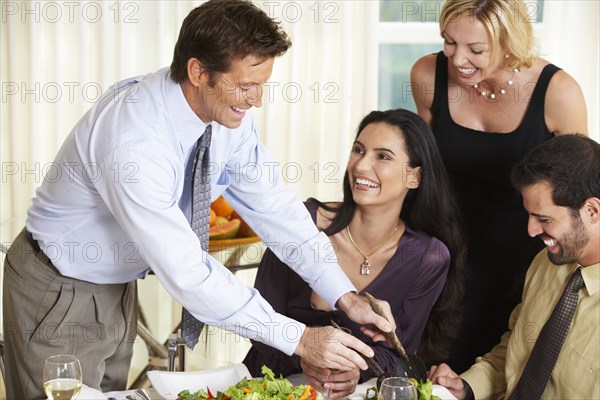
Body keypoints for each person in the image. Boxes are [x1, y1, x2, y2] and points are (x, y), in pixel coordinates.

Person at [1, 1, 393, 398]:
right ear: (198, 71)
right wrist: (300, 340)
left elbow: (275, 208)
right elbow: (188, 272)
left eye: (261, 85)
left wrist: (345, 295)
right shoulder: (134, 140)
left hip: (117, 288)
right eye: (245, 86)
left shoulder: (226, 117)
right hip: (59, 290)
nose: (256, 99)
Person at [410, 0, 589, 373]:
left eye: (476, 50)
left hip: (522, 259)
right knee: (428, 370)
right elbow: (418, 168)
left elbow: (579, 187)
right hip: (441, 251)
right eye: (449, 42)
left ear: (510, 43)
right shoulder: (427, 74)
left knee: (502, 368)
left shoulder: (559, 92)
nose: (458, 60)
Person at [243, 109, 466, 399]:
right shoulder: (301, 224)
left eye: (382, 156)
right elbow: (259, 326)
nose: (361, 165)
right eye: (358, 150)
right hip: (268, 388)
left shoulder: (428, 256)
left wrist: (357, 369)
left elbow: (400, 357)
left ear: (414, 176)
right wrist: (303, 356)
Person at [429, 134, 600, 400]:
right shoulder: (545, 263)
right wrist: (468, 386)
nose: (531, 231)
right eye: (529, 215)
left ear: (592, 211)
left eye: (543, 219)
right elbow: (519, 347)